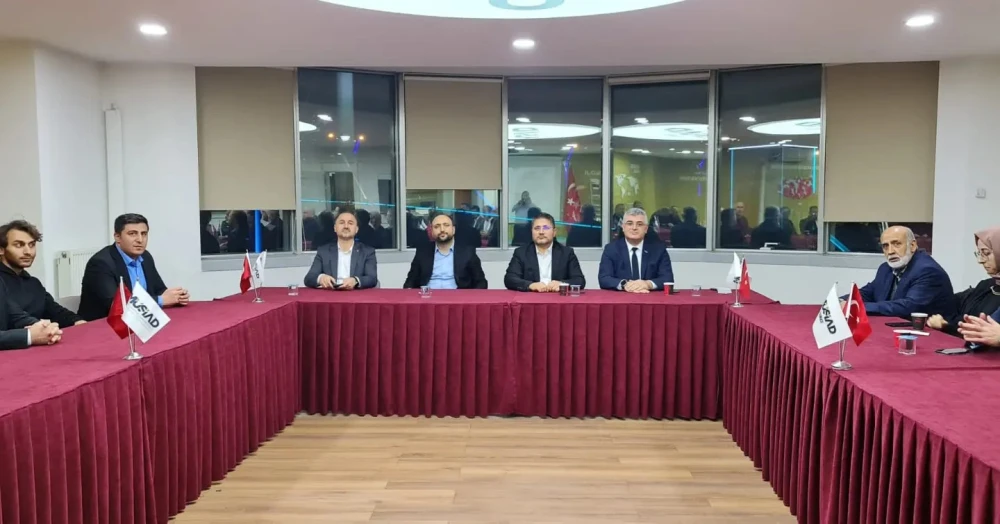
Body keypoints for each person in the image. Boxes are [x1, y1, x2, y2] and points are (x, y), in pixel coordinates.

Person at [78, 213, 189, 321]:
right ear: (117, 237)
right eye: (132, 234)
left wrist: (177, 296)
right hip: (104, 326)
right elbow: (117, 306)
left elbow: (159, 290)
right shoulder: (101, 263)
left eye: (144, 234)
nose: (140, 239)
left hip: (141, 321)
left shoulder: (145, 256)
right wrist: (161, 300)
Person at [851, 225, 954, 317]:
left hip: (932, 330)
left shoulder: (927, 270)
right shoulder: (885, 268)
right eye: (885, 246)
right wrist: (845, 302)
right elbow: (868, 292)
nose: (890, 251)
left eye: (896, 244)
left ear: (912, 246)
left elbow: (908, 307)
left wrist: (858, 306)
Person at [0, 220, 85, 327]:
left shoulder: (33, 283)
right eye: (18, 245)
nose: (28, 251)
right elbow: (16, 319)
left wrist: (77, 321)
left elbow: (55, 311)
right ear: (1, 250)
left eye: (31, 245)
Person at [927, 228, 1000, 334]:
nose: (981, 260)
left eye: (986, 253)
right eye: (979, 254)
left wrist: (947, 326)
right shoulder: (986, 286)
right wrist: (945, 323)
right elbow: (965, 318)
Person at [598, 208, 674, 293]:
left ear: (646, 229)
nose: (634, 228)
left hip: (649, 297)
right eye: (630, 223)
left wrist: (647, 284)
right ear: (623, 227)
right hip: (622, 298)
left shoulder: (658, 249)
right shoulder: (611, 249)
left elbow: (667, 279)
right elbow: (604, 278)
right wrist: (625, 285)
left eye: (639, 224)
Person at [504, 212, 585, 292]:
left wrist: (562, 284)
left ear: (554, 232)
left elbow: (579, 280)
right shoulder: (521, 253)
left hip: (557, 298)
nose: (541, 232)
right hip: (531, 298)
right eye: (537, 228)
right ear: (531, 232)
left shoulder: (566, 253)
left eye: (546, 228)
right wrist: (530, 285)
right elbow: (509, 279)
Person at [403, 213, 487, 290]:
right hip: (428, 297)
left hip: (457, 298)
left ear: (453, 229)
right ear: (432, 231)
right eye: (437, 227)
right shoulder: (422, 252)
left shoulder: (468, 252)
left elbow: (481, 282)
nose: (442, 229)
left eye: (446, 225)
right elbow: (410, 281)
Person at [303, 210, 377, 290]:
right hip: (331, 295)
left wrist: (355, 280)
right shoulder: (324, 251)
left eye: (350, 223)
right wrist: (321, 278)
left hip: (355, 294)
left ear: (356, 229)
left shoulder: (367, 252)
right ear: (335, 228)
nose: (346, 226)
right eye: (342, 223)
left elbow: (372, 278)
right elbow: (309, 278)